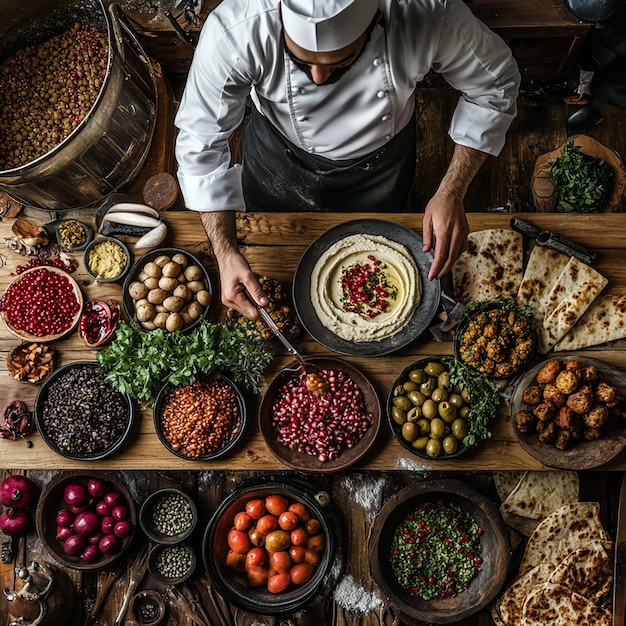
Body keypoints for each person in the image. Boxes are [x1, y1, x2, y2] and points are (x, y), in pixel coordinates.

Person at [174, 0, 521, 319]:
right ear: (279, 14)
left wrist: (451, 191)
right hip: (277, 157)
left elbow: (496, 86)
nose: (318, 78)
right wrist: (226, 253)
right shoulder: (236, 29)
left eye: (340, 62)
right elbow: (200, 147)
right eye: (301, 61)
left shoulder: (427, 12)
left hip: (383, 164)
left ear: (377, 21)